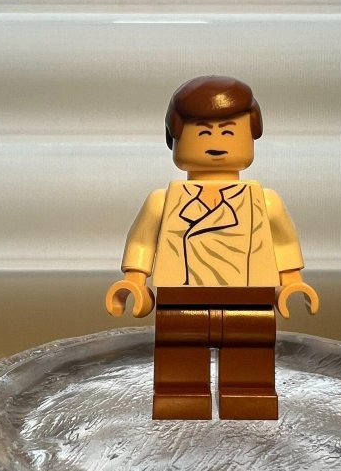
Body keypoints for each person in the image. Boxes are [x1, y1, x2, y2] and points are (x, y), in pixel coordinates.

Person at [106, 75, 318, 420]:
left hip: (250, 297)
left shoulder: (264, 201)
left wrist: (292, 282)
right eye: (203, 133)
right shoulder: (163, 201)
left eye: (229, 132)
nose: (216, 142)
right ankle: (180, 398)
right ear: (174, 140)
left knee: (250, 354)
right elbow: (142, 241)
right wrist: (134, 281)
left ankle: (249, 397)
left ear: (252, 137)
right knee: (179, 354)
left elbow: (284, 243)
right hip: (180, 299)